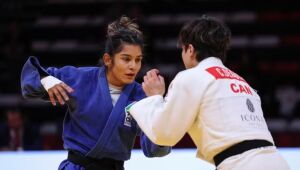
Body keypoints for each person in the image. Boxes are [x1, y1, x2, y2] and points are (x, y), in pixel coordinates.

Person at [127, 15, 290, 170]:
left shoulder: (191, 76)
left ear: (190, 49)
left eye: (182, 50)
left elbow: (164, 134)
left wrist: (154, 97)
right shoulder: (243, 83)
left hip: (242, 164)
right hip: (277, 161)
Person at [21, 16, 170, 170]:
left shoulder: (141, 96)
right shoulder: (81, 79)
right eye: (126, 59)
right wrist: (46, 80)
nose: (133, 66)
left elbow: (154, 150)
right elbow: (30, 79)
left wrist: (156, 100)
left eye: (138, 59)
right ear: (108, 60)